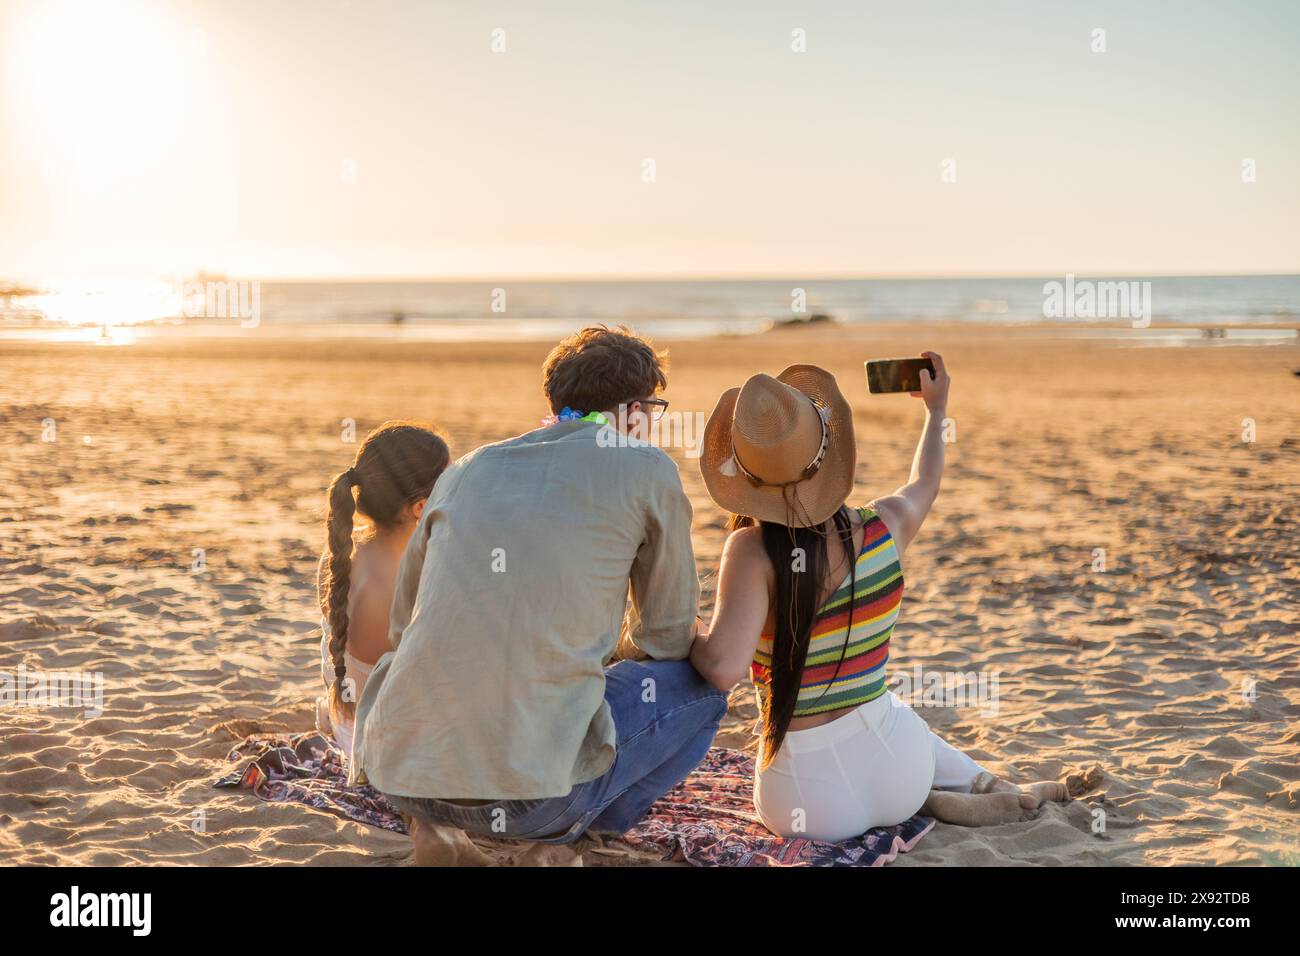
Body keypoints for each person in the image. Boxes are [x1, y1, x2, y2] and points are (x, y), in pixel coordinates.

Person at [350, 326, 727, 858]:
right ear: (637, 408)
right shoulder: (648, 470)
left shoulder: (468, 468)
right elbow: (666, 637)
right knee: (704, 689)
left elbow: (403, 624)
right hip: (537, 798)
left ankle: (438, 827)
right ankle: (568, 837)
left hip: (404, 773)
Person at [689, 354, 1067, 842]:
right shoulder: (883, 524)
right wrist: (935, 412)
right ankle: (979, 785)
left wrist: (690, 629)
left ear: (745, 472)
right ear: (825, 454)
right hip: (898, 775)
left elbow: (722, 667)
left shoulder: (751, 550)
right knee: (894, 714)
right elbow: (924, 482)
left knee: (882, 719)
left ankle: (960, 790)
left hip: (807, 804)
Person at [316, 421, 451, 759]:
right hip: (388, 755)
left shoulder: (337, 559)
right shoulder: (416, 583)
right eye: (450, 484)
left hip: (348, 727)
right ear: (420, 507)